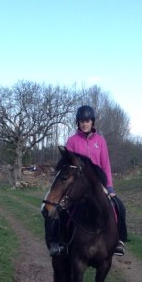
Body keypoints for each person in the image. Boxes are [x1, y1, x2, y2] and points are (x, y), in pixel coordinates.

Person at [46, 104, 128, 257]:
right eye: (82, 121)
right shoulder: (72, 141)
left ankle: (119, 241)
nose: (84, 124)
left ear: (92, 122)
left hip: (98, 185)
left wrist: (109, 187)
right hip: (78, 186)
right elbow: (67, 165)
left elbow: (105, 165)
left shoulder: (100, 141)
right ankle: (58, 241)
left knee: (119, 207)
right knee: (61, 210)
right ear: (78, 122)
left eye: (87, 121)